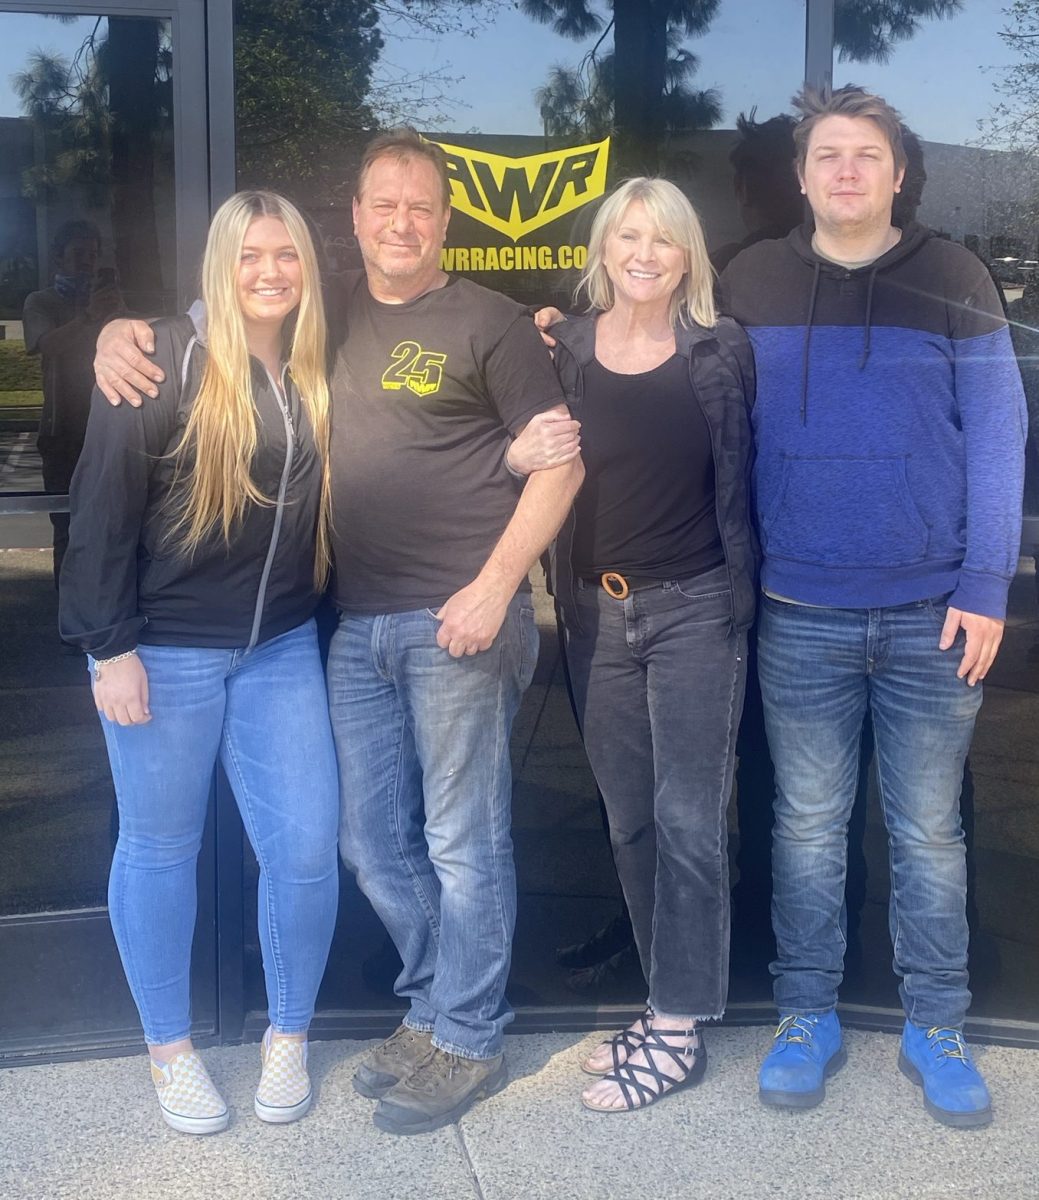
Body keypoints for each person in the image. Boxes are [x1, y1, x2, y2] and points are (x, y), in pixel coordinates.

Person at [91, 129, 584, 1136]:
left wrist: (498, 588)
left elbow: (560, 465)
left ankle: (470, 1034)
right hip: (347, 628)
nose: (401, 222)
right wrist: (118, 332)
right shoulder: (321, 319)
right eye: (381, 205)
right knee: (364, 840)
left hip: (454, 619)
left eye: (420, 207)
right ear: (354, 221)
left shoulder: (493, 322)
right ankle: (426, 1009)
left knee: (458, 841)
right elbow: (211, 367)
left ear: (445, 222)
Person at [717, 86, 1026, 1128]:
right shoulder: (750, 279)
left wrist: (987, 588)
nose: (846, 170)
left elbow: (996, 441)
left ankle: (934, 1022)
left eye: (866, 155)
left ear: (898, 174)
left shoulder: (953, 276)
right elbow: (681, 393)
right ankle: (806, 1013)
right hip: (796, 608)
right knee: (804, 827)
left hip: (932, 613)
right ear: (801, 176)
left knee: (928, 833)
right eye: (827, 155)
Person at [60, 190, 341, 1135]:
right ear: (219, 263)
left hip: (280, 648)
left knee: (303, 850)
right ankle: (170, 1050)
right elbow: (100, 510)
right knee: (159, 848)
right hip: (163, 652)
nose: (270, 273)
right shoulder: (159, 361)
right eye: (252, 255)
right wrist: (110, 649)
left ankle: (288, 1034)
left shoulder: (315, 364)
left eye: (288, 256)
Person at [509, 177, 757, 1111]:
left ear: (687, 255)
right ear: (602, 250)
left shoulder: (721, 351)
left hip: (694, 607)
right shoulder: (559, 347)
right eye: (626, 237)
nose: (643, 253)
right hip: (595, 613)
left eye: (662, 239)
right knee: (628, 819)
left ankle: (681, 1024)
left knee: (689, 820)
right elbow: (498, 425)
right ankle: (664, 1002)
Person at [23, 219, 124, 589]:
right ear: (58, 258)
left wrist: (115, 314)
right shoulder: (42, 301)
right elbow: (45, 345)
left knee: (111, 526)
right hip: (62, 432)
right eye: (79, 254)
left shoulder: (107, 300)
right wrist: (88, 318)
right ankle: (67, 615)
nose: (87, 263)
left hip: (109, 427)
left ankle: (102, 606)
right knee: (66, 530)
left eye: (93, 255)